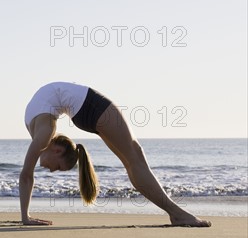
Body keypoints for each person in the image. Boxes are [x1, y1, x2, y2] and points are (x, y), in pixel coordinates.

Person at [20, 81, 211, 227]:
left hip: (90, 107)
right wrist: (25, 217)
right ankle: (176, 212)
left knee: (134, 158)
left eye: (59, 168)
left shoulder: (42, 135)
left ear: (58, 150)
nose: (52, 171)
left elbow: (26, 175)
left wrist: (25, 218)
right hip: (89, 108)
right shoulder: (42, 133)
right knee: (134, 158)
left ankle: (175, 212)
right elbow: (27, 175)